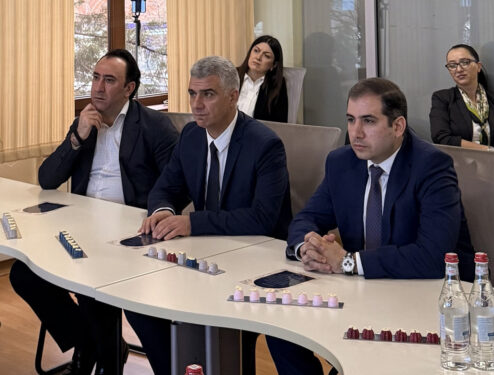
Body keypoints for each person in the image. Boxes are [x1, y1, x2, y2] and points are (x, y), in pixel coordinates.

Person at [266, 78, 475, 375]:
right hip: (362, 291)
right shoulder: (342, 162)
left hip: (421, 300)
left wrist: (348, 262)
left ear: (398, 126)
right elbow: (306, 218)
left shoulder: (431, 166)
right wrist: (307, 248)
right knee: (280, 331)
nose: (356, 132)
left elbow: (433, 257)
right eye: (351, 120)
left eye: (368, 121)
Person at [10, 49, 179, 375]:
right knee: (23, 274)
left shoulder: (155, 126)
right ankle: (91, 342)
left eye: (109, 80)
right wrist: (77, 137)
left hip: (130, 236)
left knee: (95, 283)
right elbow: (47, 179)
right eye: (95, 77)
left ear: (129, 89)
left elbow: (175, 184)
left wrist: (158, 214)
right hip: (81, 227)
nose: (98, 87)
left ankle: (104, 354)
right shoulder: (84, 122)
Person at [128, 55, 293, 374]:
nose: (197, 104)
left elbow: (263, 219)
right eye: (192, 93)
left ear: (233, 97)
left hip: (256, 262)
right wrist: (162, 211)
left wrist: (191, 222)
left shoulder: (264, 144)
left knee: (227, 325)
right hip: (207, 256)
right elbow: (165, 188)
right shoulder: (191, 136)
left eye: (208, 94)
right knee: (140, 307)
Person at [430, 43, 494, 287]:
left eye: (464, 62)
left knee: (487, 193)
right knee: (476, 196)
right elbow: (442, 137)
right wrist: (487, 153)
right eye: (452, 65)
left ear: (478, 66)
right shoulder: (443, 99)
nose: (458, 69)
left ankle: (491, 269)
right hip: (460, 174)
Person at [236, 35, 288, 122]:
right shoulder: (231, 75)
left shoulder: (277, 85)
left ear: (274, 65)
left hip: (257, 130)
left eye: (266, 56)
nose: (258, 57)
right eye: (256, 51)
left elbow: (280, 123)